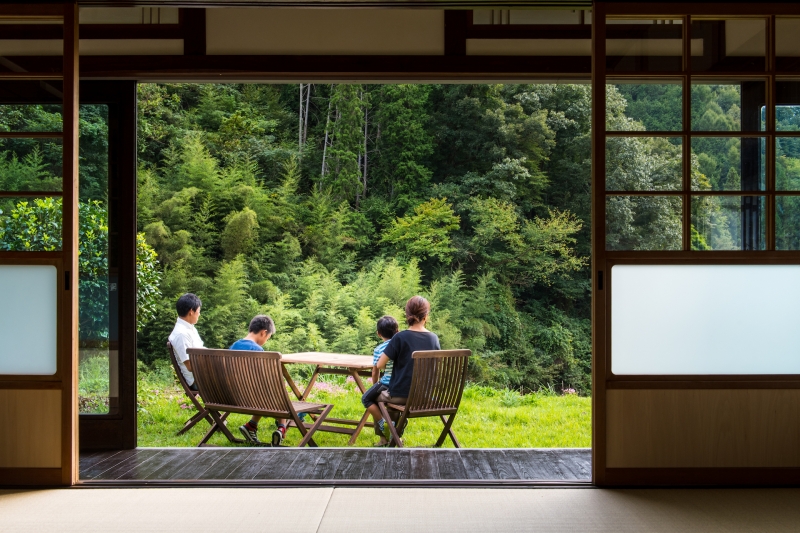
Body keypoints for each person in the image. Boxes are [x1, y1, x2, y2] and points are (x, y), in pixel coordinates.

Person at [374, 296, 440, 442]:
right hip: (425, 397)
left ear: (407, 315)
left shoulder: (400, 337)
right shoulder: (434, 338)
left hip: (401, 396)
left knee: (372, 396)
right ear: (426, 316)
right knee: (392, 401)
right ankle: (395, 432)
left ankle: (384, 437)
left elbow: (380, 365)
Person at [232, 315, 288, 446]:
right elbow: (263, 379)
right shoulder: (257, 350)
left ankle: (251, 426)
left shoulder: (234, 345)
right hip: (253, 399)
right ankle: (282, 427)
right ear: (264, 333)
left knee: (271, 390)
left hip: (233, 396)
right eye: (268, 337)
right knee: (278, 389)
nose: (266, 340)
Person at [361, 316, 399, 446]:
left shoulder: (379, 349)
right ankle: (388, 436)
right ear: (397, 331)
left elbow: (375, 370)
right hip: (400, 384)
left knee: (366, 399)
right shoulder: (402, 345)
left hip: (386, 384)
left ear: (379, 334)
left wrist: (374, 385)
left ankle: (384, 423)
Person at [168, 293, 204, 391]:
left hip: (204, 376)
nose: (199, 314)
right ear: (191, 311)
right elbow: (190, 366)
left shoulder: (189, 328)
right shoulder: (181, 334)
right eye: (198, 311)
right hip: (198, 380)